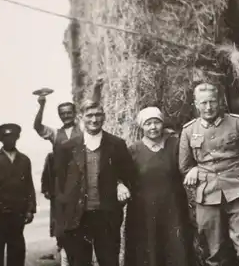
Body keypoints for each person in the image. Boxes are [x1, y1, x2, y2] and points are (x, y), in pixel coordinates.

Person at [179, 82, 239, 266]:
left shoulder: (237, 123)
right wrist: (195, 169)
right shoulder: (189, 131)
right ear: (196, 104)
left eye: (212, 102)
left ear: (220, 102)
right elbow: (185, 165)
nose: (208, 107)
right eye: (203, 103)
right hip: (208, 195)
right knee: (214, 251)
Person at [56, 99, 135, 266]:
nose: (94, 120)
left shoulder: (117, 144)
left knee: (109, 261)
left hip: (107, 216)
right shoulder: (67, 147)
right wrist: (62, 224)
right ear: (81, 117)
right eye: (89, 115)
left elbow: (130, 176)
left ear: (104, 117)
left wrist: (121, 183)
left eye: (98, 115)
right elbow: (60, 186)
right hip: (78, 218)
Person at [125, 107, 195, 266]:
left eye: (156, 122)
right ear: (141, 126)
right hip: (144, 209)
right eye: (148, 123)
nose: (152, 127)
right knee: (148, 247)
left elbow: (190, 163)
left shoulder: (175, 144)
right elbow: (122, 175)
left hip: (173, 207)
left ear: (162, 123)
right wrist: (120, 185)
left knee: (176, 245)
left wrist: (194, 169)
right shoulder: (133, 150)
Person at [0, 123, 36, 266]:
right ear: (0, 139)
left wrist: (30, 209)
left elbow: (29, 186)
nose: (9, 140)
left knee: (17, 250)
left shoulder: (24, 160)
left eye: (12, 137)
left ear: (18, 137)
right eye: (5, 137)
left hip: (17, 214)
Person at [34, 96, 82, 264]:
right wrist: (42, 106)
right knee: (63, 229)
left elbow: (93, 107)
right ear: (59, 115)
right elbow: (37, 127)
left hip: (81, 184)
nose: (66, 115)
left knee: (82, 228)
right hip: (62, 186)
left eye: (69, 112)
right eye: (63, 113)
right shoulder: (55, 134)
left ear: (75, 113)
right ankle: (65, 260)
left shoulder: (84, 129)